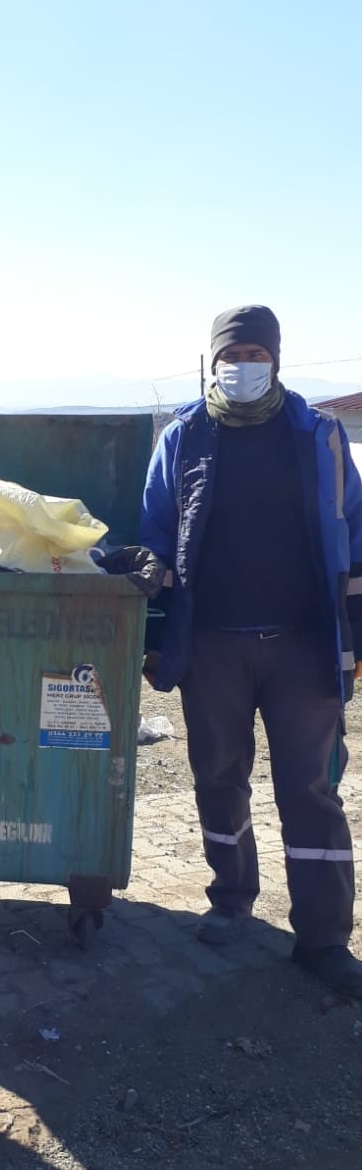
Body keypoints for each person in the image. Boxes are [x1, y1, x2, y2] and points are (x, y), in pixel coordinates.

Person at [141, 303, 362, 998]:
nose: (244, 366)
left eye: (256, 354)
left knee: (311, 790)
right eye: (232, 355)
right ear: (213, 362)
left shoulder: (321, 436)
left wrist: (356, 643)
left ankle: (323, 937)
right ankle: (231, 900)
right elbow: (155, 536)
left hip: (305, 649)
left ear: (277, 359)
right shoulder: (183, 438)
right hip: (213, 649)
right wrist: (156, 637)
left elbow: (355, 539)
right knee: (217, 777)